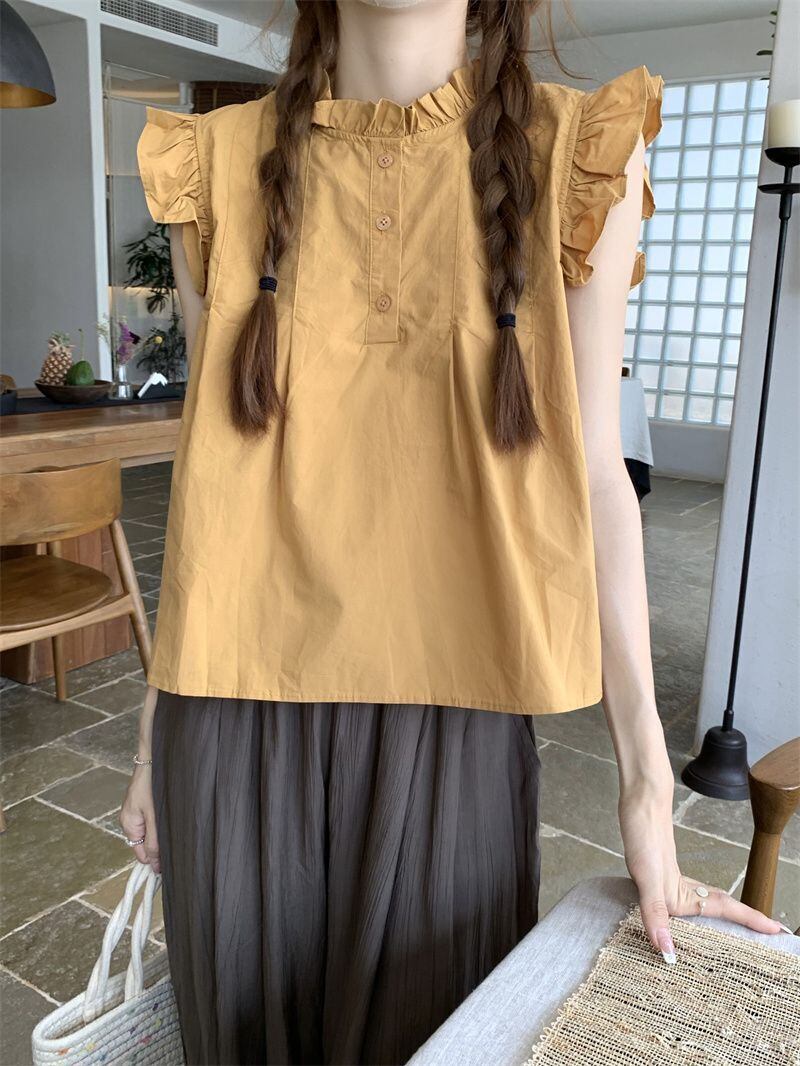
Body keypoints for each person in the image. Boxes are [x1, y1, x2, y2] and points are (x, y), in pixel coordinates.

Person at [120, 1, 787, 1063]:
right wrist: (153, 734)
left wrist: (645, 783)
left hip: (459, 712)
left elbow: (598, 475)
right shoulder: (216, 162)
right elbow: (212, 472)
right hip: (237, 718)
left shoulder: (575, 154)